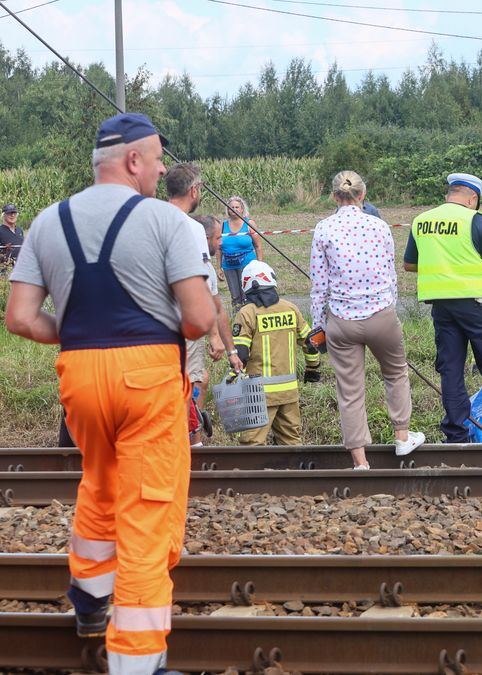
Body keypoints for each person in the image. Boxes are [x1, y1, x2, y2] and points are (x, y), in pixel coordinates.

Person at [4, 111, 215, 674]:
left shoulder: (48, 221)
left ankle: (90, 599)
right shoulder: (165, 222)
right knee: (147, 514)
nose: (162, 169)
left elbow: (20, 319)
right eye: (157, 159)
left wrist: (76, 332)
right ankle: (137, 662)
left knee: (100, 481)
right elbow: (196, 320)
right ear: (132, 161)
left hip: (79, 372)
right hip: (146, 376)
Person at [310, 170, 422, 468]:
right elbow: (391, 275)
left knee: (349, 390)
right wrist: (389, 308)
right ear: (362, 195)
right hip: (381, 314)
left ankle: (360, 461)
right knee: (396, 373)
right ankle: (401, 436)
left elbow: (319, 285)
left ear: (334, 196)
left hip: (342, 321)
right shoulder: (379, 227)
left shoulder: (323, 229)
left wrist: (319, 324)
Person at [404, 173, 482, 443]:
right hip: (477, 305)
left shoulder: (421, 221)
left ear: (449, 194)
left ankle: (456, 437)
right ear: (472, 198)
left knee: (451, 371)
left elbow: (409, 264)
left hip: (442, 308)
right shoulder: (475, 220)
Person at [163, 163, 242, 444]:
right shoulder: (191, 228)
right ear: (194, 190)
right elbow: (202, 288)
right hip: (183, 326)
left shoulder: (152, 217)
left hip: (150, 327)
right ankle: (187, 445)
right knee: (188, 386)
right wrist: (215, 336)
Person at [230, 260, 319, 445]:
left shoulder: (247, 313)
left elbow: (241, 355)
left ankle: (256, 475)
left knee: (251, 445)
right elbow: (311, 343)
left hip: (258, 395)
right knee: (291, 442)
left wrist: (232, 378)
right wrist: (313, 370)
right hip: (289, 392)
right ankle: (296, 474)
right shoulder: (291, 309)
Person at [218, 195, 261, 306]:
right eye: (231, 207)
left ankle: (251, 319)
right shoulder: (222, 226)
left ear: (242, 209)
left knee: (248, 295)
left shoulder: (249, 224)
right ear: (228, 209)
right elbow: (218, 248)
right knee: (235, 297)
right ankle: (237, 320)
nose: (234, 209)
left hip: (247, 264)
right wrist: (219, 267)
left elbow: (258, 246)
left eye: (237, 207)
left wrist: (260, 265)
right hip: (229, 265)